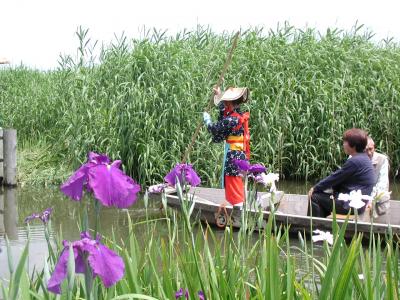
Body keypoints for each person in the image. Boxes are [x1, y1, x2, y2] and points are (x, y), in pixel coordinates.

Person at [308, 128, 375, 218]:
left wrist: (315, 188)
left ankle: (314, 228)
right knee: (325, 197)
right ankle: (324, 225)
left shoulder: (355, 161)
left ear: (353, 145)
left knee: (315, 197)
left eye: (345, 142)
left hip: (351, 205)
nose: (343, 145)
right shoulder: (364, 158)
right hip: (358, 204)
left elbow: (335, 178)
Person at [203, 86, 250, 206]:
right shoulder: (236, 116)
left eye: (225, 101)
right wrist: (219, 95)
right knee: (236, 180)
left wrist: (207, 120)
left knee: (233, 181)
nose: (224, 103)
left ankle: (238, 208)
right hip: (239, 155)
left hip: (234, 156)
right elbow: (225, 114)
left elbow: (215, 129)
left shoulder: (232, 119)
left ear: (229, 102)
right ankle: (239, 205)